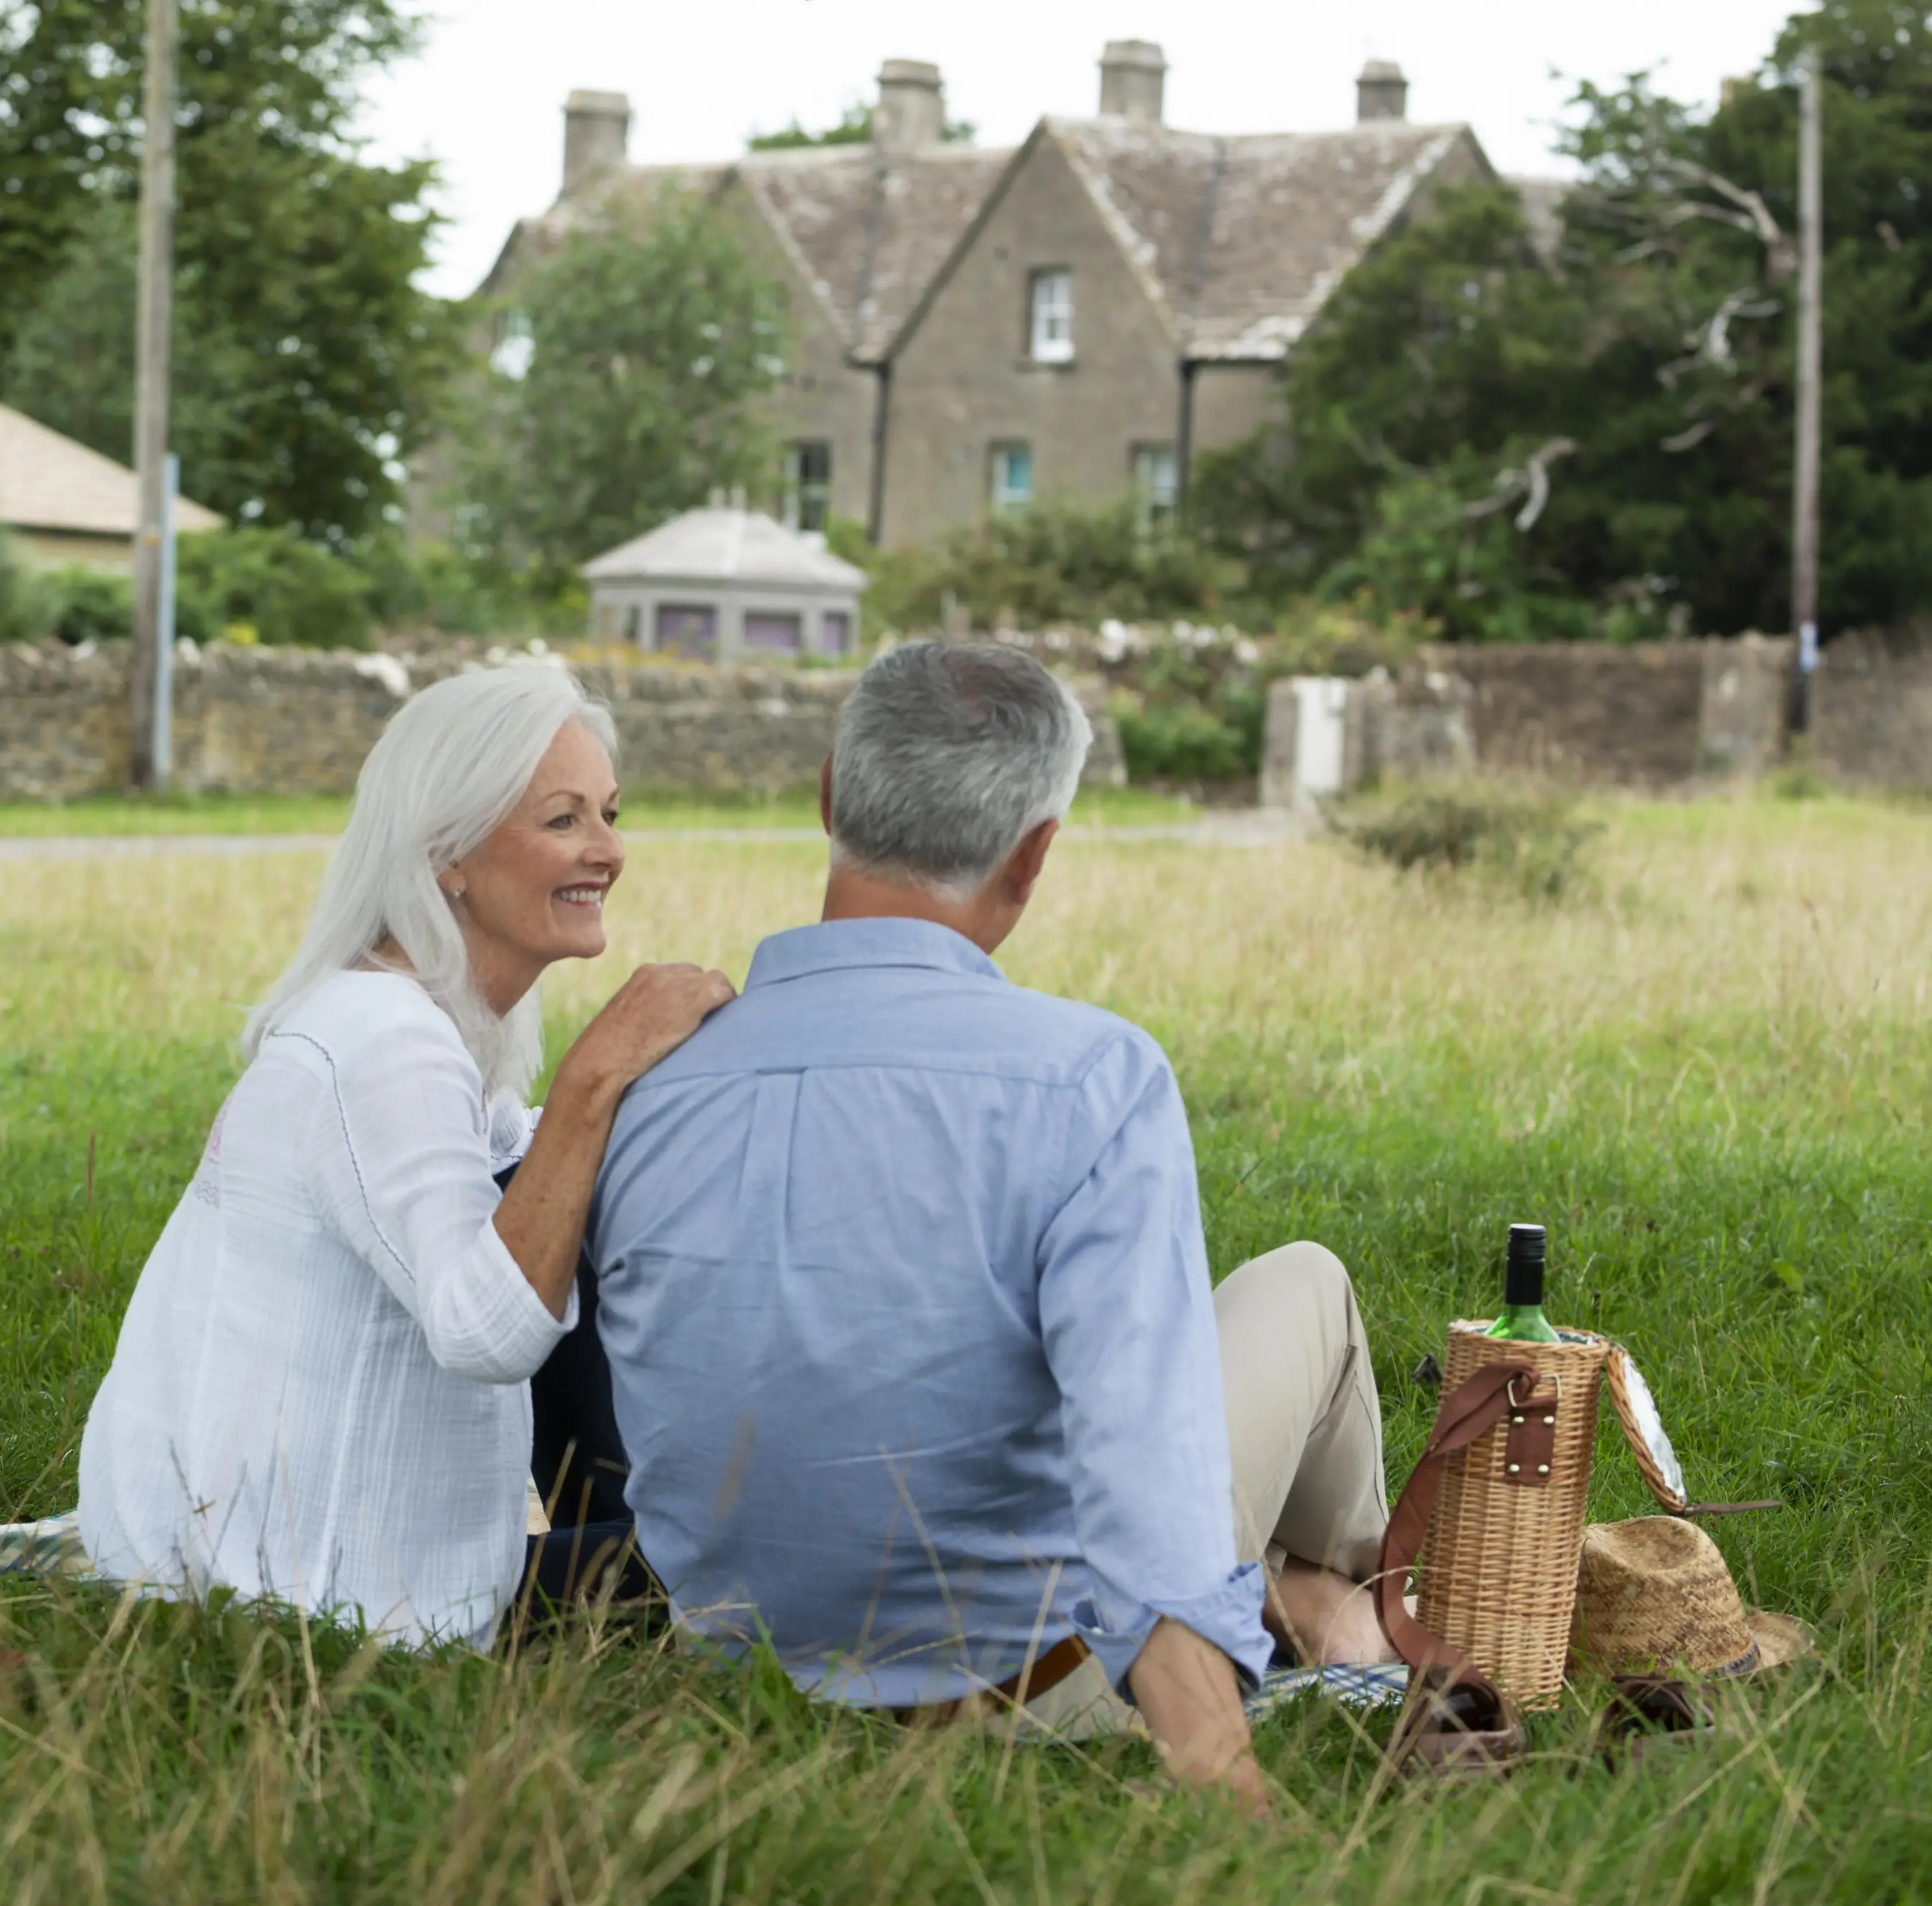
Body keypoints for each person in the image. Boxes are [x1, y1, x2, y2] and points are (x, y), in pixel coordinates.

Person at [587, 640, 1397, 1813]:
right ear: (1035, 853)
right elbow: (1140, 1465)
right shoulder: (1092, 1079)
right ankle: (1344, 1599)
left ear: (830, 795)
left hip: (743, 1675)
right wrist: (1226, 1781)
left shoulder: (653, 1077)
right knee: (1307, 1282)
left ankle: (1310, 1594)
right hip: (1036, 1688)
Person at [77, 665, 732, 1647]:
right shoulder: (387, 1038)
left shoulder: (400, 1015)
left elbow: (527, 1158)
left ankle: (617, 1517)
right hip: (320, 1606)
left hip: (274, 1569)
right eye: (564, 819)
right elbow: (485, 1332)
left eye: (608, 812)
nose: (608, 849)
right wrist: (600, 1071)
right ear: (448, 853)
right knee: (737, 1562)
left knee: (572, 1174)